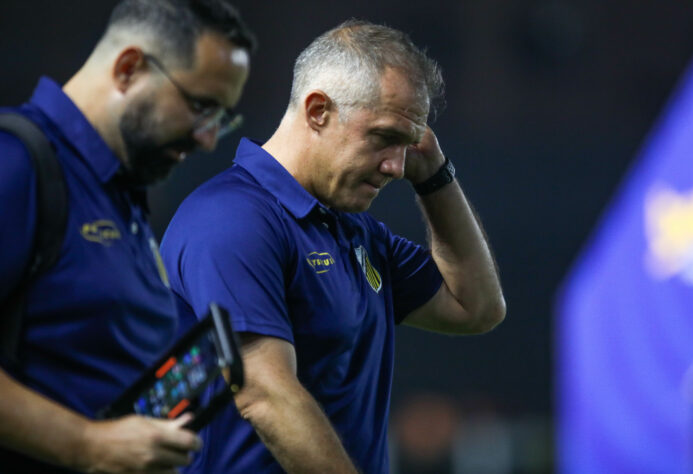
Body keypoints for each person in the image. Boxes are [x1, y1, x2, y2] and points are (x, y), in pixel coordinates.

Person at [161, 20, 505, 473]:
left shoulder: (353, 230)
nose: (397, 167)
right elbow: (264, 396)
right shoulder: (231, 220)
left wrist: (436, 175)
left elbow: (476, 307)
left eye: (408, 145)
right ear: (318, 110)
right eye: (384, 137)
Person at [0, 1, 254, 472]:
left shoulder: (120, 192)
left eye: (220, 117)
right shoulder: (17, 163)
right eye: (201, 107)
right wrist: (85, 444)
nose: (207, 139)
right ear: (129, 68)